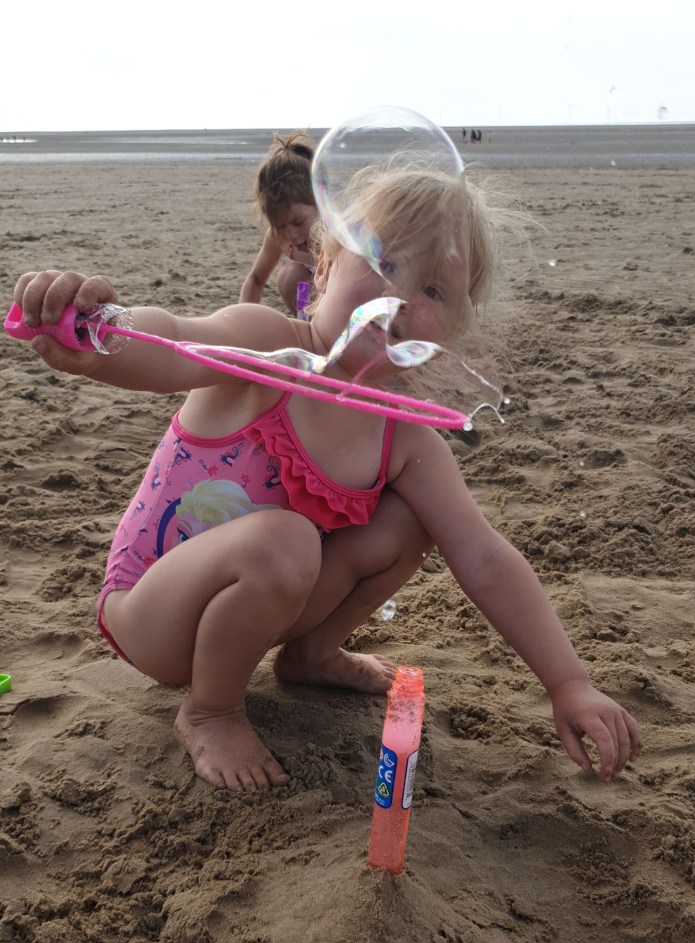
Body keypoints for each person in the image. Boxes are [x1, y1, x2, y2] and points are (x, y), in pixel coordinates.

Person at [13, 163, 642, 794]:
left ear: (450, 333)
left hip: (256, 611)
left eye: (433, 289)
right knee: (285, 540)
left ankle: (311, 655)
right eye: (384, 262)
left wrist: (569, 682)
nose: (400, 297)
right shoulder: (265, 344)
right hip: (152, 612)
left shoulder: (404, 438)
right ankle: (210, 711)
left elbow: (483, 556)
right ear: (326, 265)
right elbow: (177, 341)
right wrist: (102, 332)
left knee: (412, 520)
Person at [239, 131, 317, 314]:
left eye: (298, 222)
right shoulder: (279, 236)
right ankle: (306, 322)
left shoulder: (338, 230)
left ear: (320, 203)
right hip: (314, 299)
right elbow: (256, 279)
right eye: (280, 225)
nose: (292, 235)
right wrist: (242, 317)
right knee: (290, 277)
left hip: (350, 295)